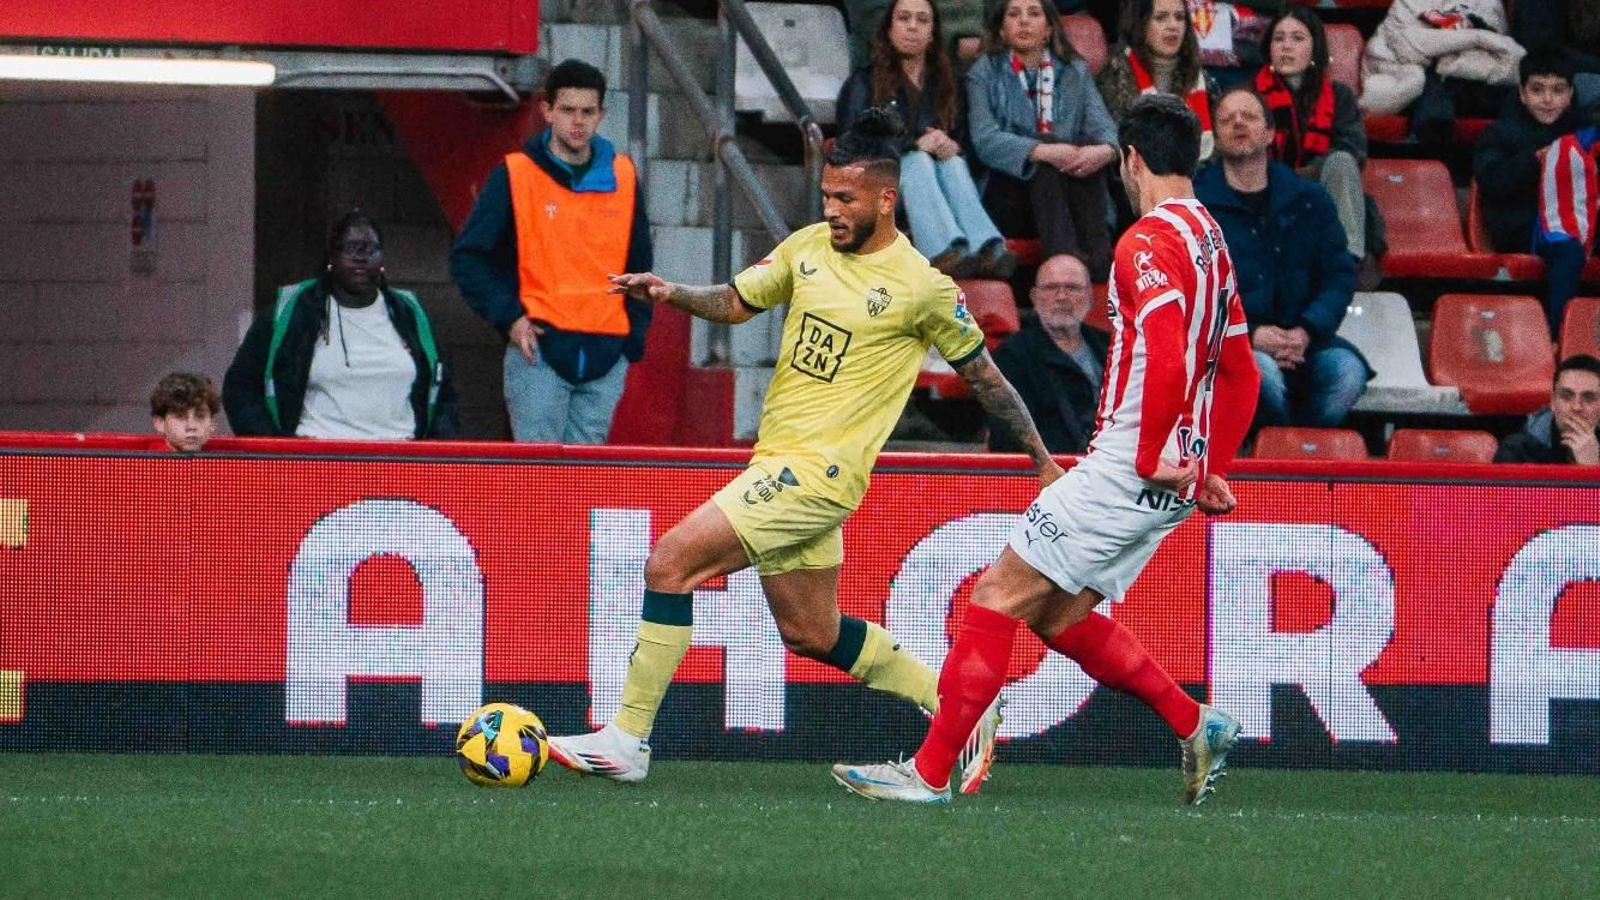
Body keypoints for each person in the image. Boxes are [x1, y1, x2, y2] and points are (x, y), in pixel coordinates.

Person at [546, 108, 1064, 792]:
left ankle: (626, 739)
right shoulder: (808, 247)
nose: (832, 209)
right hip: (777, 462)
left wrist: (1041, 459)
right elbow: (737, 301)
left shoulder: (923, 287)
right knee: (811, 632)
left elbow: (985, 378)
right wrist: (671, 293)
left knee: (669, 563)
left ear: (886, 198)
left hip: (817, 474)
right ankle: (961, 706)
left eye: (846, 198)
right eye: (826, 195)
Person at [832, 93, 1261, 805]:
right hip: (1173, 476)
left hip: (1132, 464)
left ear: (1131, 160)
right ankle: (1196, 724)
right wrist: (1211, 468)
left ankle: (928, 774)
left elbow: (1166, 355)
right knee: (1057, 615)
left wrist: (1148, 455)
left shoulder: (1145, 242)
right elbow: (1241, 369)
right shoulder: (1213, 242)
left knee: (995, 597)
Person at [451, 58, 652, 444]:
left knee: (585, 478)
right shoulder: (516, 174)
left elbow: (640, 264)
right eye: (568, 110)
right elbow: (469, 257)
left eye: (587, 112)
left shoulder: (624, 176)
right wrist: (510, 318)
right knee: (538, 476)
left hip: (607, 353)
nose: (578, 121)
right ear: (547, 111)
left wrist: (632, 339)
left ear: (601, 115)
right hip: (539, 350)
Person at [1195, 86, 1368, 430]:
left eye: (1249, 116)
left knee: (1348, 374)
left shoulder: (1309, 198)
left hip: (1306, 341)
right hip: (1230, 346)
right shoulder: (1196, 204)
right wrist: (1251, 335)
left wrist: (1306, 331)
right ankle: (1277, 449)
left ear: (1270, 132)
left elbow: (1339, 275)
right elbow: (1192, 290)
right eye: (1227, 120)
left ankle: (1305, 448)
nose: (1238, 123)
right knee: (1262, 374)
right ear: (1216, 138)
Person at [224, 211, 459, 440]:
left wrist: (438, 447)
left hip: (400, 455)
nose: (361, 257)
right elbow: (240, 386)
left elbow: (443, 392)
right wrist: (273, 447)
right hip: (316, 456)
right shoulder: (293, 310)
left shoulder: (409, 313)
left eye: (371, 249)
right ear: (331, 257)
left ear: (383, 258)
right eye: (350, 247)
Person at [836, 0, 1014, 278]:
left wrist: (953, 146)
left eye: (922, 20)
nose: (912, 27)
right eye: (903, 19)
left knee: (953, 162)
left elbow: (970, 148)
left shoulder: (948, 83)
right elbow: (851, 148)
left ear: (932, 34)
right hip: (876, 188)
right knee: (917, 161)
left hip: (942, 188)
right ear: (889, 30)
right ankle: (941, 251)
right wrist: (913, 147)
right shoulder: (863, 82)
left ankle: (987, 247)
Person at [968, 0, 1119, 279]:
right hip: (1009, 198)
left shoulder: (1075, 71)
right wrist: (1041, 151)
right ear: (1001, 30)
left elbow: (1106, 130)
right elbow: (985, 140)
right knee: (1046, 155)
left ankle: (1097, 264)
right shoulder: (984, 72)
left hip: (1074, 192)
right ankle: (1066, 266)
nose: (1024, 21)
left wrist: (1103, 152)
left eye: (1034, 13)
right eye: (1014, 14)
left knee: (1087, 152)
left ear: (1049, 29)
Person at [1475, 51, 1597, 334]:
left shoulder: (1584, 133)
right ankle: (1557, 336)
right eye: (1538, 89)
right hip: (1527, 223)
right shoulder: (1499, 134)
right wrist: (1535, 160)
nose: (1548, 99)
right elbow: (1493, 183)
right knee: (1567, 248)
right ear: (1522, 93)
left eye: (1558, 90)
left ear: (1570, 94)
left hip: (1583, 218)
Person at [1255, 9, 1374, 276]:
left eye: (1297, 38)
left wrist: (1305, 174)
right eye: (1279, 38)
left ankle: (1346, 261)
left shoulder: (1339, 95)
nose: (1286, 46)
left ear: (1315, 47)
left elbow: (1353, 150)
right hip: (1267, 190)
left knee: (1342, 161)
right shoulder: (1250, 95)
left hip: (1322, 189)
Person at [988, 254, 1109, 453]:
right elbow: (1009, 437)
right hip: (1053, 465)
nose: (1061, 297)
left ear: (1090, 298)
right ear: (1034, 298)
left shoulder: (1111, 347)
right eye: (1052, 288)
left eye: (1072, 288)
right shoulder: (1012, 355)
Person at [1096, 0, 1216, 160]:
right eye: (1161, 17)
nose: (1173, 26)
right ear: (1139, 23)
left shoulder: (1200, 77)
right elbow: (1114, 141)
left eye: (1180, 17)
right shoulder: (1115, 73)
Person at [1495, 354, 1600, 465]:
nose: (1576, 407)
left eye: (1589, 398)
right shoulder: (1517, 450)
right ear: (1553, 402)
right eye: (1566, 396)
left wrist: (1593, 464)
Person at [150, 372, 219, 453]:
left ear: (212, 423)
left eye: (200, 416)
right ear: (160, 423)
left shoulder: (222, 459)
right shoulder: (145, 459)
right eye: (180, 416)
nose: (191, 426)